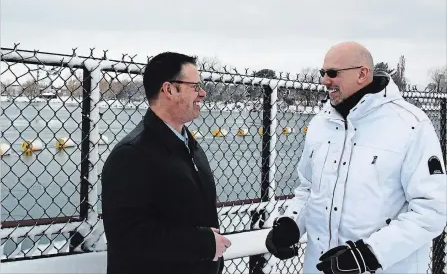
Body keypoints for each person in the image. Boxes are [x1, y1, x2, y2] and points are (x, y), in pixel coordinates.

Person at [265, 41, 447, 273]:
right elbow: (309, 189)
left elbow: (431, 210)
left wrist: (370, 254)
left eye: (333, 73)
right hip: (320, 267)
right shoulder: (320, 124)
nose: (324, 80)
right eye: (323, 72)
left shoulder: (411, 125)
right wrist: (292, 223)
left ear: (362, 73)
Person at [101, 51, 231, 274]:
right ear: (169, 89)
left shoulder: (190, 147)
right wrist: (204, 243)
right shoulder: (131, 154)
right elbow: (126, 235)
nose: (202, 93)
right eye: (195, 86)